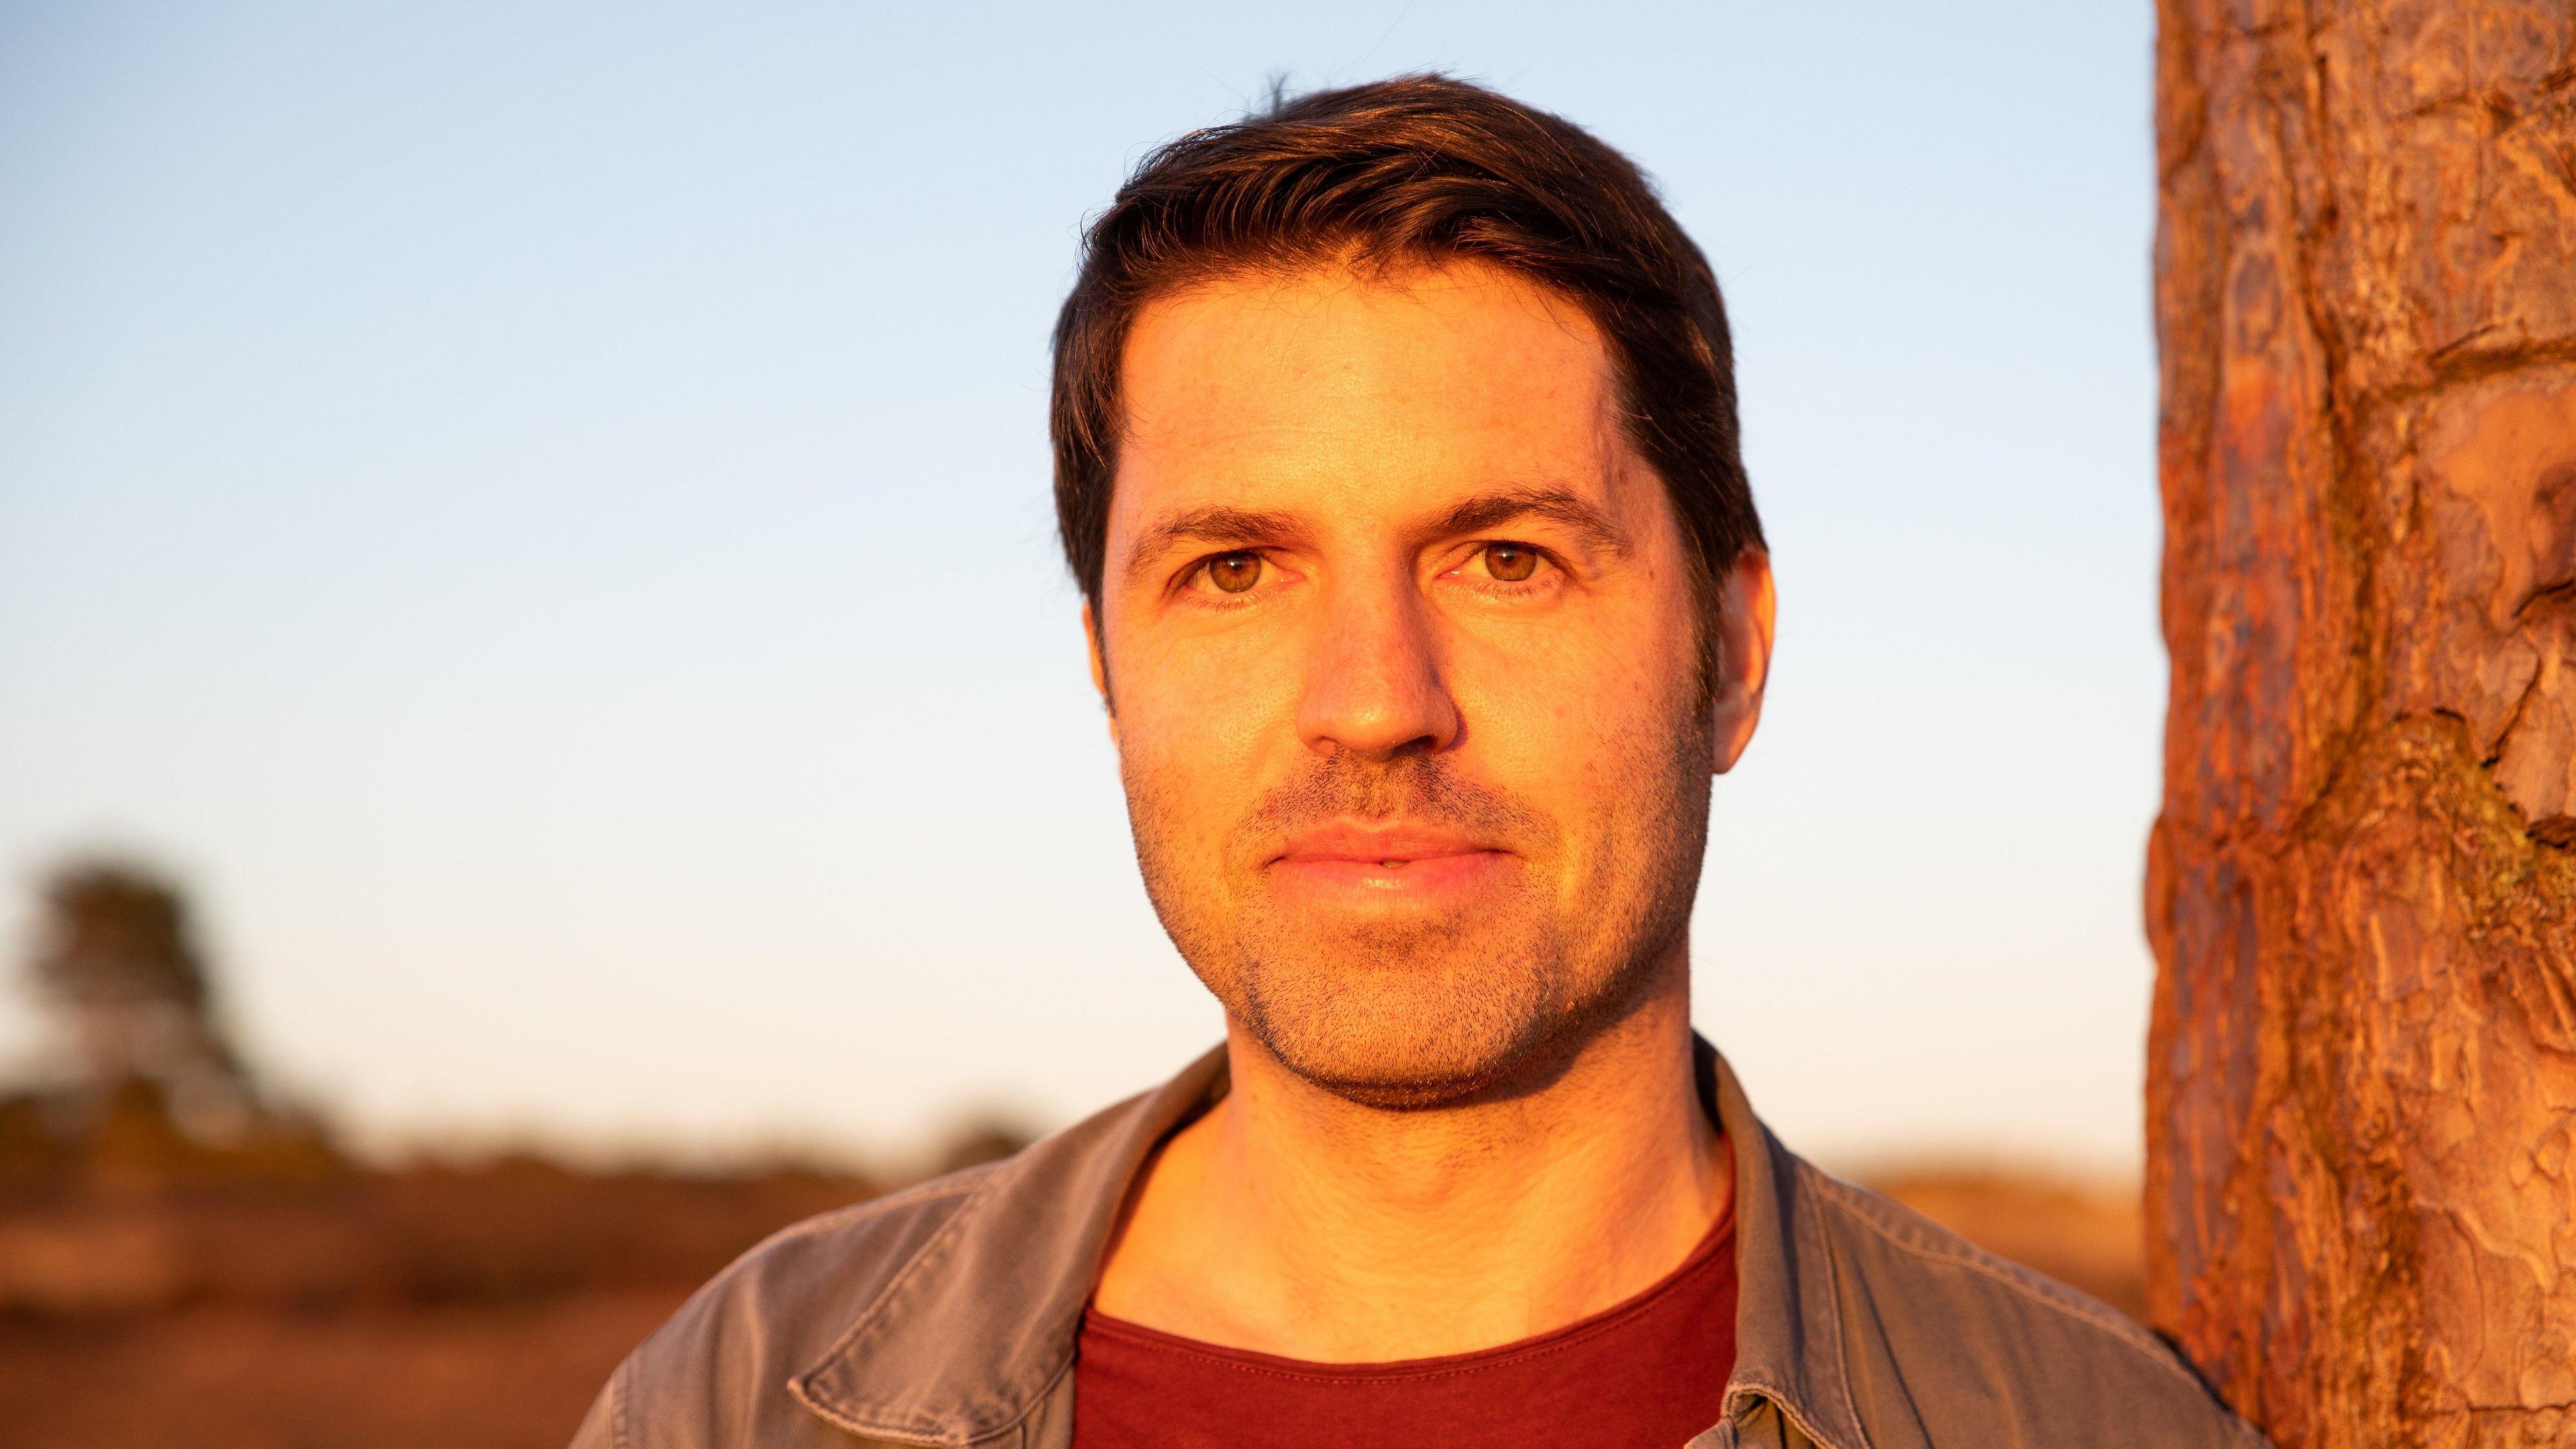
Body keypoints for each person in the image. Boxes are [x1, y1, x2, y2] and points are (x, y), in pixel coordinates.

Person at [573, 76, 2264, 1449]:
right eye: (1235, 570)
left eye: (1506, 557)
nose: (1376, 702)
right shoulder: (744, 1400)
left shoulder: (2087, 1430)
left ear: (1731, 652)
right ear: (1107, 666)